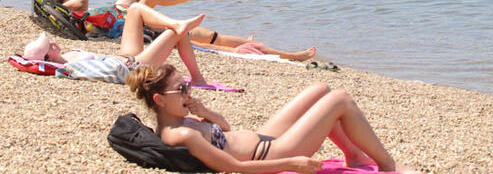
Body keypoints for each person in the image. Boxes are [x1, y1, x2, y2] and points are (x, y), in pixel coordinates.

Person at [128, 66, 419, 174]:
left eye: (187, 85)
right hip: (273, 152)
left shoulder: (182, 119)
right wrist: (292, 164)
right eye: (181, 89)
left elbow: (225, 130)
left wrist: (206, 113)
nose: (188, 92)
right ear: (160, 100)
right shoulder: (180, 134)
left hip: (263, 137)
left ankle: (354, 156)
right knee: (340, 99)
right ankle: (387, 166)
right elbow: (234, 167)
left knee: (320, 90)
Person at [47, 0, 316, 62]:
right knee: (210, 39)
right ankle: (292, 56)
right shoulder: (76, 13)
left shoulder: (80, 16)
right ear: (63, 4)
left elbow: (81, 2)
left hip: (122, 13)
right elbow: (82, 0)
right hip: (130, 22)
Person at [23, 3, 207, 85]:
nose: (53, 42)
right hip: (133, 68)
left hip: (125, 57)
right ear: (48, 58)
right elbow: (109, 72)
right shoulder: (70, 68)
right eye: (50, 46)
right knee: (177, 33)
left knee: (134, 9)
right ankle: (197, 78)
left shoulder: (66, 56)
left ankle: (174, 22)